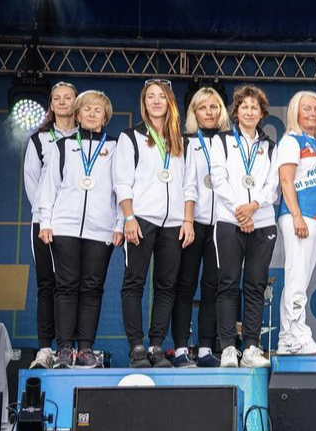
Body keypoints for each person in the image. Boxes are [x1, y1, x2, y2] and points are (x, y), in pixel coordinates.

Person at [114, 79, 196, 368]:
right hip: (141, 219)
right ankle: (137, 347)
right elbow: (122, 182)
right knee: (134, 282)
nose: (156, 101)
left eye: (162, 96)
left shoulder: (182, 142)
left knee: (167, 285)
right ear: (144, 102)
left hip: (174, 223)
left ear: (170, 102)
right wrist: (129, 217)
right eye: (151, 96)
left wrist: (187, 220)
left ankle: (156, 346)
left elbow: (189, 185)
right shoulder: (131, 137)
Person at [36, 90, 121, 368]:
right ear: (78, 115)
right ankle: (63, 349)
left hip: (102, 229)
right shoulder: (62, 146)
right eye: (87, 109)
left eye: (98, 110)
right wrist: (46, 221)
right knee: (66, 286)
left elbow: (123, 188)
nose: (92, 114)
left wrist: (119, 223)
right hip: (65, 226)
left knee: (92, 288)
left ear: (105, 117)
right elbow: (48, 186)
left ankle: (85, 348)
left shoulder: (115, 147)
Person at [212, 85, 280, 366]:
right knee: (228, 284)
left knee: (255, 284)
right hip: (230, 220)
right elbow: (219, 179)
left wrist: (254, 207)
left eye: (255, 108)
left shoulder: (270, 146)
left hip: (262, 222)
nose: (250, 112)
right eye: (245, 107)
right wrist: (241, 210)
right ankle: (228, 347)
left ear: (262, 113)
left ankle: (251, 346)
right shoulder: (222, 141)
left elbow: (273, 186)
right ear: (236, 111)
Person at [171, 87, 231, 368]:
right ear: (194, 112)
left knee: (212, 287)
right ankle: (181, 348)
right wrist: (188, 220)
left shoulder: (230, 142)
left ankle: (206, 348)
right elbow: (186, 183)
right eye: (203, 107)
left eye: (214, 107)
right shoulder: (186, 142)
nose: (209, 112)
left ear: (222, 111)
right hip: (192, 223)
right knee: (185, 285)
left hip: (221, 224)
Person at [23, 81, 78, 368]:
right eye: (57, 98)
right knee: (47, 284)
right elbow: (32, 182)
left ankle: (69, 349)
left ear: (76, 103)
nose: (63, 102)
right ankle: (45, 349)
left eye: (68, 97)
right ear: (51, 104)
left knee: (72, 286)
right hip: (44, 223)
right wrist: (48, 216)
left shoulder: (86, 138)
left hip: (74, 226)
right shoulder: (39, 139)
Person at [276, 90, 316, 355]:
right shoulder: (291, 140)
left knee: (299, 278)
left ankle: (287, 338)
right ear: (295, 112)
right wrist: (296, 215)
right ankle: (298, 333)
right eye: (306, 108)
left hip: (315, 218)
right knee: (296, 277)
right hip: (300, 215)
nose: (313, 113)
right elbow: (286, 180)